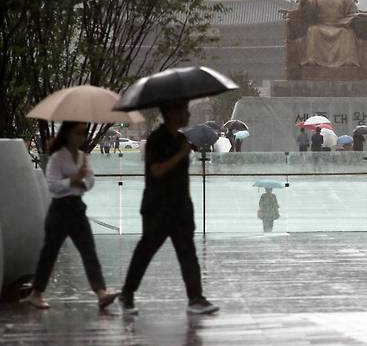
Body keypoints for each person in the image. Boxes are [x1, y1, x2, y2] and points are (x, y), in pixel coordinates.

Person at [119, 100, 219, 315]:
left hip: (181, 207)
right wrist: (180, 155)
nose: (188, 113)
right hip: (158, 208)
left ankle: (196, 297)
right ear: (172, 112)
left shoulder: (182, 138)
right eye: (184, 109)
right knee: (146, 250)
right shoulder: (157, 140)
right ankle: (127, 294)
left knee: (188, 253)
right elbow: (156, 170)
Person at [22, 121, 119, 310]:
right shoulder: (58, 158)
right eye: (78, 133)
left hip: (77, 208)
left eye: (83, 133)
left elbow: (90, 180)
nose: (81, 137)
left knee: (89, 250)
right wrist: (73, 179)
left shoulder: (83, 157)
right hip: (59, 210)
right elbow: (53, 185)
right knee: (50, 252)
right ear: (67, 134)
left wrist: (80, 183)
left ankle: (101, 293)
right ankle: (36, 293)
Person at [297, 0, 359, 68]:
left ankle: (347, 61)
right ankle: (312, 59)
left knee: (347, 33)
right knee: (312, 30)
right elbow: (308, 10)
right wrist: (304, 3)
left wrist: (349, 19)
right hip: (321, 25)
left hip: (339, 26)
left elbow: (354, 11)